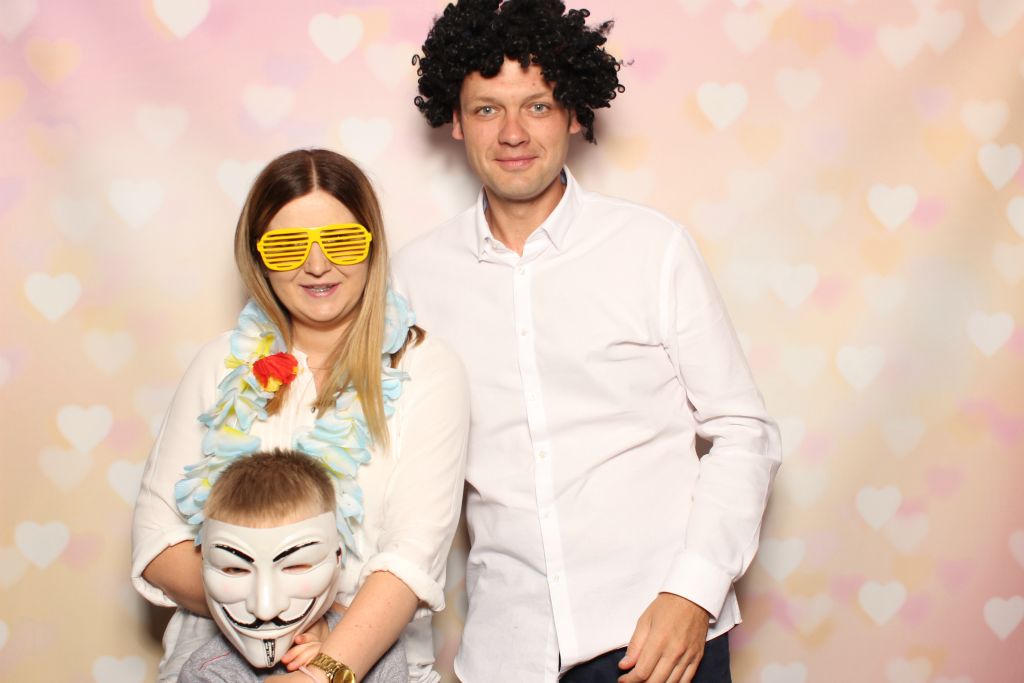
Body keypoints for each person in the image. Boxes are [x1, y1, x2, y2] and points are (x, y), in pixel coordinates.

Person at [393, 1, 782, 682]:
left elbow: (744, 432)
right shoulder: (415, 277)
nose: (513, 132)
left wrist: (694, 591)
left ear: (574, 112)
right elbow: (396, 463)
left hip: (658, 643)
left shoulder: (653, 249)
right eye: (487, 109)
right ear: (455, 120)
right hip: (506, 656)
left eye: (537, 106)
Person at [132, 149, 470, 683]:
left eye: (341, 241)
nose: (317, 265)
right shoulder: (219, 363)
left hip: (363, 662)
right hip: (212, 657)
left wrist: (323, 667)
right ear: (258, 256)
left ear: (372, 245)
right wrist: (270, 612)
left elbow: (413, 553)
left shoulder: (426, 369)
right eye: (288, 246)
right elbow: (157, 538)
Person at [178, 449, 408, 682]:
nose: (265, 609)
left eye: (295, 566)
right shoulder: (206, 673)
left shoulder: (376, 648)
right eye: (236, 569)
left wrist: (332, 671)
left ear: (338, 557)